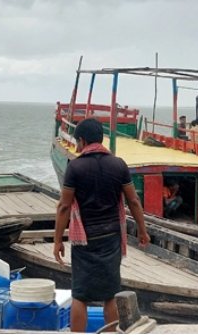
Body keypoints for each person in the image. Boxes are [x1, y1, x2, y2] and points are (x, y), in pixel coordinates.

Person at [53, 117, 150, 333]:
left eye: (78, 141)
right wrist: (142, 230)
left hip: (84, 239)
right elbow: (133, 201)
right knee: (109, 295)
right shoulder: (118, 164)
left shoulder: (75, 167)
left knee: (80, 295)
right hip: (112, 237)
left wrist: (58, 239)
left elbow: (64, 207)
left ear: (83, 141)